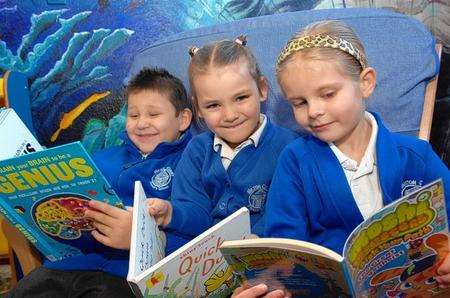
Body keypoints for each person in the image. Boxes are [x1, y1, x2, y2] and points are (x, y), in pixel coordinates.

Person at [234, 20, 450, 297]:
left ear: (365, 83)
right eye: (299, 103)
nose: (314, 111)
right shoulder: (295, 161)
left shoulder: (415, 155)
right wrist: (280, 284)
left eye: (327, 94)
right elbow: (285, 242)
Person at [8, 67, 193, 297]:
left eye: (153, 115)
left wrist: (142, 240)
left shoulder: (191, 163)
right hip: (70, 264)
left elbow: (197, 231)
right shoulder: (100, 159)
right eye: (133, 115)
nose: (141, 123)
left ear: (183, 119)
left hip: (127, 275)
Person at [148, 36, 297, 243]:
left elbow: (288, 212)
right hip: (208, 259)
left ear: (262, 90)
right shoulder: (197, 151)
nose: (230, 115)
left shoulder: (289, 148)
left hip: (265, 253)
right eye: (213, 105)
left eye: (241, 98)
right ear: (198, 108)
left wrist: (260, 239)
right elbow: (194, 210)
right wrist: (171, 213)